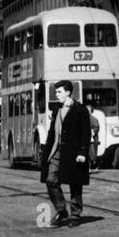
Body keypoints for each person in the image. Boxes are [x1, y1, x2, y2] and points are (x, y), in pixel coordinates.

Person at [41, 81, 90, 227]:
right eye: (56, 92)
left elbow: (85, 133)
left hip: (74, 152)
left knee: (75, 183)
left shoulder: (80, 109)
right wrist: (46, 151)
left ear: (68, 92)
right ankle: (61, 210)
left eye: (59, 92)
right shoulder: (57, 109)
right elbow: (52, 132)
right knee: (50, 180)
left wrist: (83, 152)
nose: (57, 95)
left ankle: (75, 214)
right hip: (57, 151)